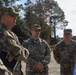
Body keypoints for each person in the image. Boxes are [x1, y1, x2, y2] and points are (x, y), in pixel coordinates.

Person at [0, 6, 29, 75]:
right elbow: (20, 53)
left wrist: (15, 53)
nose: (15, 17)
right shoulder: (2, 33)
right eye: (12, 15)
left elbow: (19, 52)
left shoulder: (12, 34)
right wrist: (23, 51)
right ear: (4, 17)